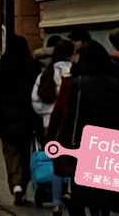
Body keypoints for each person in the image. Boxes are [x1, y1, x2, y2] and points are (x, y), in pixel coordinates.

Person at [49, 41, 119, 216]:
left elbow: (68, 114)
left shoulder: (77, 82)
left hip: (81, 140)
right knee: (103, 185)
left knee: (79, 186)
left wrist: (57, 138)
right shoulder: (114, 82)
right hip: (107, 141)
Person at [0, 33, 39, 206]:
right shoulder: (31, 67)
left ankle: (15, 185)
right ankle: (23, 186)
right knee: (26, 154)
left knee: (11, 154)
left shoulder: (1, 68)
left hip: (6, 120)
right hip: (27, 120)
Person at [31, 38, 73, 214]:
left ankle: (56, 201)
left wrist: (47, 114)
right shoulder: (73, 71)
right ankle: (71, 193)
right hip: (71, 123)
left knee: (57, 163)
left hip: (51, 125)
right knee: (74, 161)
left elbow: (36, 100)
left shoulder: (46, 73)